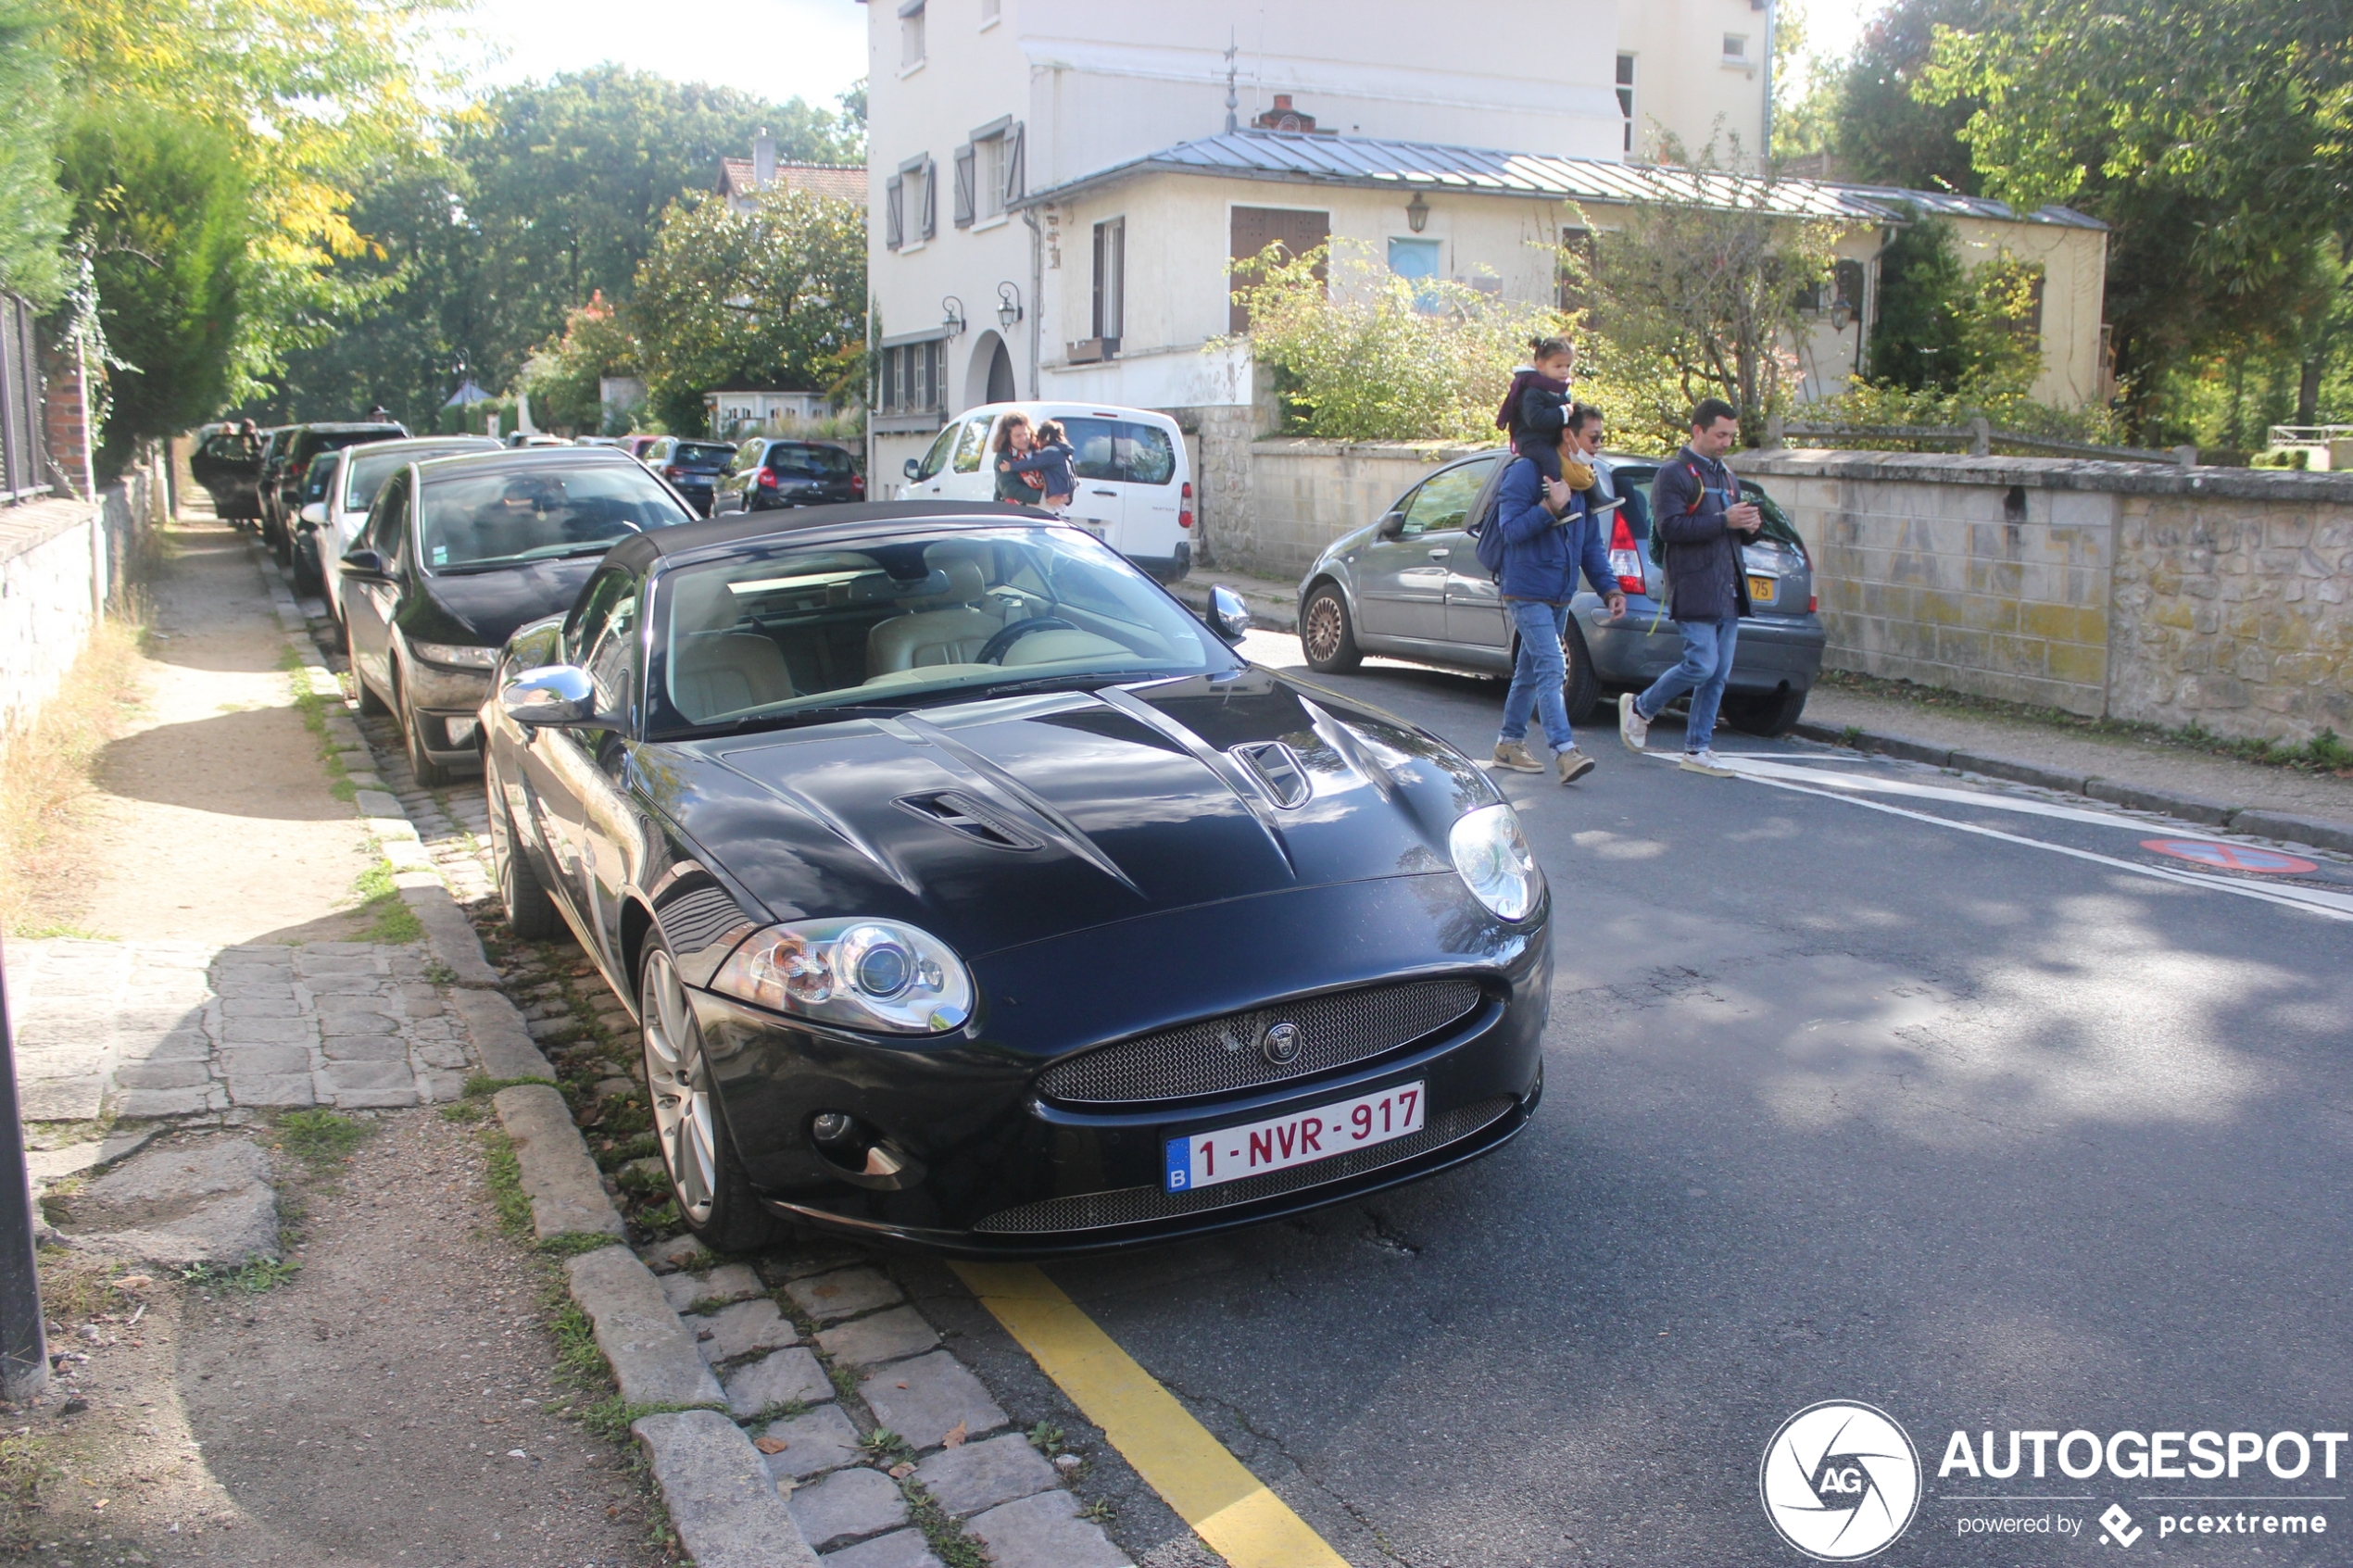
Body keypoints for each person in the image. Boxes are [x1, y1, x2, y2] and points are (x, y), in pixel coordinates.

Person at [1617, 397, 1762, 777]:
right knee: (1701, 664)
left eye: (1731, 435)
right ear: (1697, 430)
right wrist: (1724, 520)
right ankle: (1640, 708)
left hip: (1729, 589)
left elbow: (1736, 535)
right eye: (1720, 434)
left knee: (1718, 674)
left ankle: (1697, 749)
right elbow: (1671, 528)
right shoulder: (1674, 473)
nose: (1726, 442)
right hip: (1694, 586)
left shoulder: (1726, 476)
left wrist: (1750, 526)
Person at [1491, 425, 1628, 784]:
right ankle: (1564, 751)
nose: (1598, 445)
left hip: (1560, 594)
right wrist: (1550, 506)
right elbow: (1510, 531)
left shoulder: (1581, 482)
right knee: (1552, 665)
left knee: (1531, 671)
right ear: (1568, 436)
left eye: (1602, 437)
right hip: (1526, 589)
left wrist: (1610, 590)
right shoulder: (1526, 472)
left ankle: (1509, 743)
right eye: (1593, 437)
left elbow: (1590, 548)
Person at [1495, 337, 1579, 483]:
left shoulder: (1562, 389)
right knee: (1551, 461)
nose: (1564, 371)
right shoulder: (1532, 389)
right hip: (1532, 441)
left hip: (1553, 438)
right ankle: (1552, 497)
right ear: (1540, 366)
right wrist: (1562, 412)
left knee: (1582, 453)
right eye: (1558, 366)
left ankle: (1594, 493)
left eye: (1568, 366)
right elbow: (1535, 419)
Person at [1002, 418, 1076, 511]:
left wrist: (1011, 466)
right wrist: (1069, 495)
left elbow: (1033, 463)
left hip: (1054, 495)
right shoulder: (1064, 452)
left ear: (1045, 438)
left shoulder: (1050, 453)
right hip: (1062, 493)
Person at [990, 414, 1038, 504]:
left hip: (1047, 511)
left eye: (1025, 434)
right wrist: (1043, 498)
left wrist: (1065, 498)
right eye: (1018, 436)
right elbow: (1009, 489)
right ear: (1008, 437)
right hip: (1014, 512)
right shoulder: (1004, 457)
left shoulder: (1041, 451)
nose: (1023, 438)